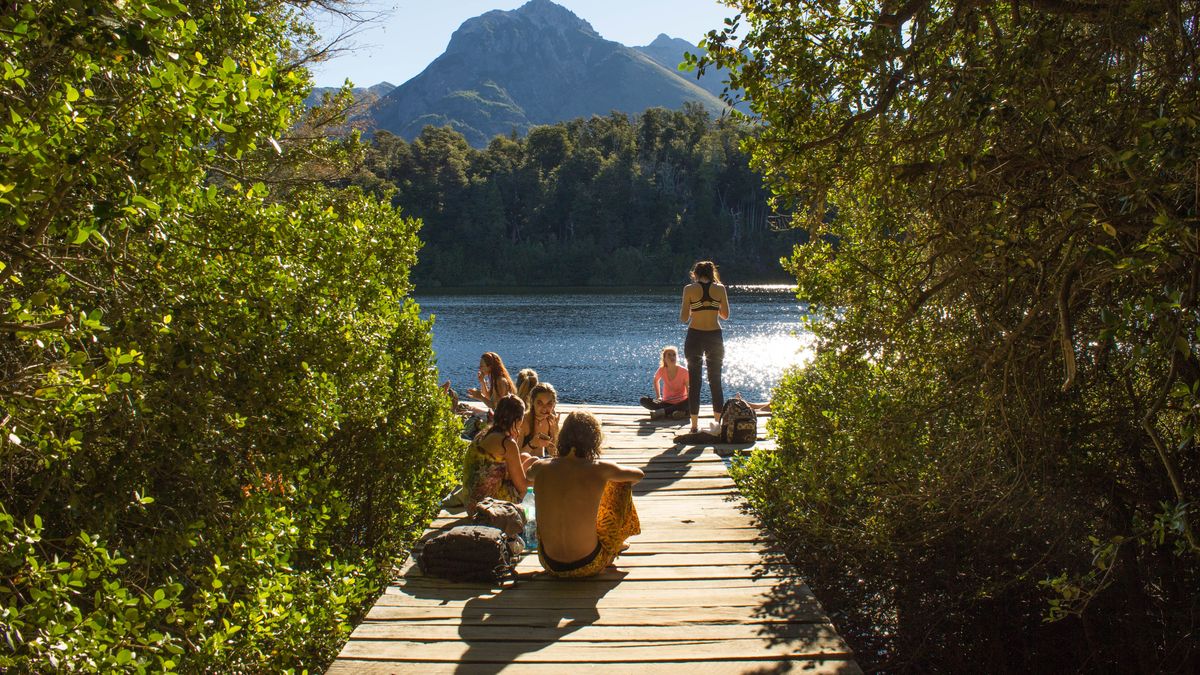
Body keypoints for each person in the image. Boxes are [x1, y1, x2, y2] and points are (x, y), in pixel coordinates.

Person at [527, 411, 643, 578]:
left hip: (549, 564)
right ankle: (615, 543)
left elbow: (528, 476)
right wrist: (608, 473)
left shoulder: (540, 467)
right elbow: (638, 475)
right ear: (594, 439)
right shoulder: (600, 468)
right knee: (621, 483)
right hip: (589, 564)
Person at [679, 260, 730, 434]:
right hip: (715, 336)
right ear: (712, 273)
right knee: (715, 381)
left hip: (695, 336)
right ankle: (718, 424)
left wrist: (695, 308)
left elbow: (684, 318)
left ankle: (694, 426)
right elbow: (725, 315)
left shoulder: (689, 289)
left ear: (696, 273)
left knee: (695, 382)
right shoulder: (720, 289)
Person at [463, 395, 534, 514]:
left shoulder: (485, 433)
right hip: (487, 507)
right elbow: (522, 487)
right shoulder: (506, 443)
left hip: (471, 500)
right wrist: (541, 477)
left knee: (527, 458)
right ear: (517, 421)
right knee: (534, 472)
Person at [639, 345, 689, 419]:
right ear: (664, 358)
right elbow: (655, 380)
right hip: (666, 403)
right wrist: (659, 397)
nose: (672, 357)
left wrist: (689, 396)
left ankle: (664, 412)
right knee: (643, 400)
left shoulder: (684, 371)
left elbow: (689, 390)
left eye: (674, 355)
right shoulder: (662, 370)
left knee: (691, 401)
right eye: (669, 355)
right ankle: (675, 412)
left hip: (681, 403)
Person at [520, 382, 560, 463]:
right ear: (532, 402)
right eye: (540, 403)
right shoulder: (523, 421)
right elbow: (515, 457)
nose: (545, 408)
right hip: (525, 466)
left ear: (554, 405)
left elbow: (554, 454)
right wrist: (531, 444)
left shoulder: (551, 421)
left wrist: (554, 433)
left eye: (549, 403)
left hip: (542, 463)